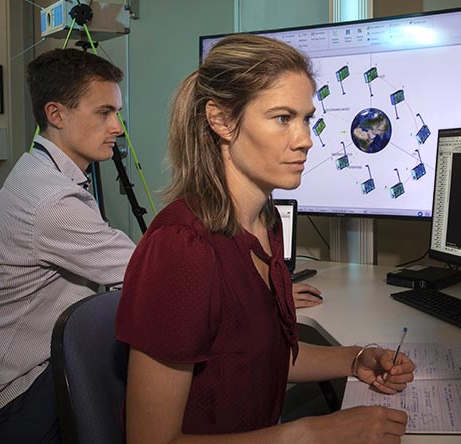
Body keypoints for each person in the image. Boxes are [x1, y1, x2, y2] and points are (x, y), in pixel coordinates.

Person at [115, 34, 415, 444]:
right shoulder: (181, 248)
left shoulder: (265, 223)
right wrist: (311, 433)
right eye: (282, 118)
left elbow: (256, 357)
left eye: (307, 118)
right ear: (221, 120)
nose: (306, 138)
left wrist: (355, 359)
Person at [0, 49, 136, 443]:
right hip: (18, 400)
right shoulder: (51, 202)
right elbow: (146, 270)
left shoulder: (36, 173)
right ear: (56, 115)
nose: (118, 127)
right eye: (104, 112)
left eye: (117, 112)